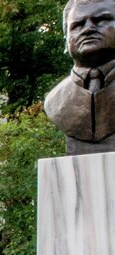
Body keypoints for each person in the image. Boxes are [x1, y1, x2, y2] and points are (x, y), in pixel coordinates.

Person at [44, 0, 115, 154]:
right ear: (66, 39)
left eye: (101, 20)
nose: (88, 29)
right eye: (77, 25)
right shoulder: (54, 101)